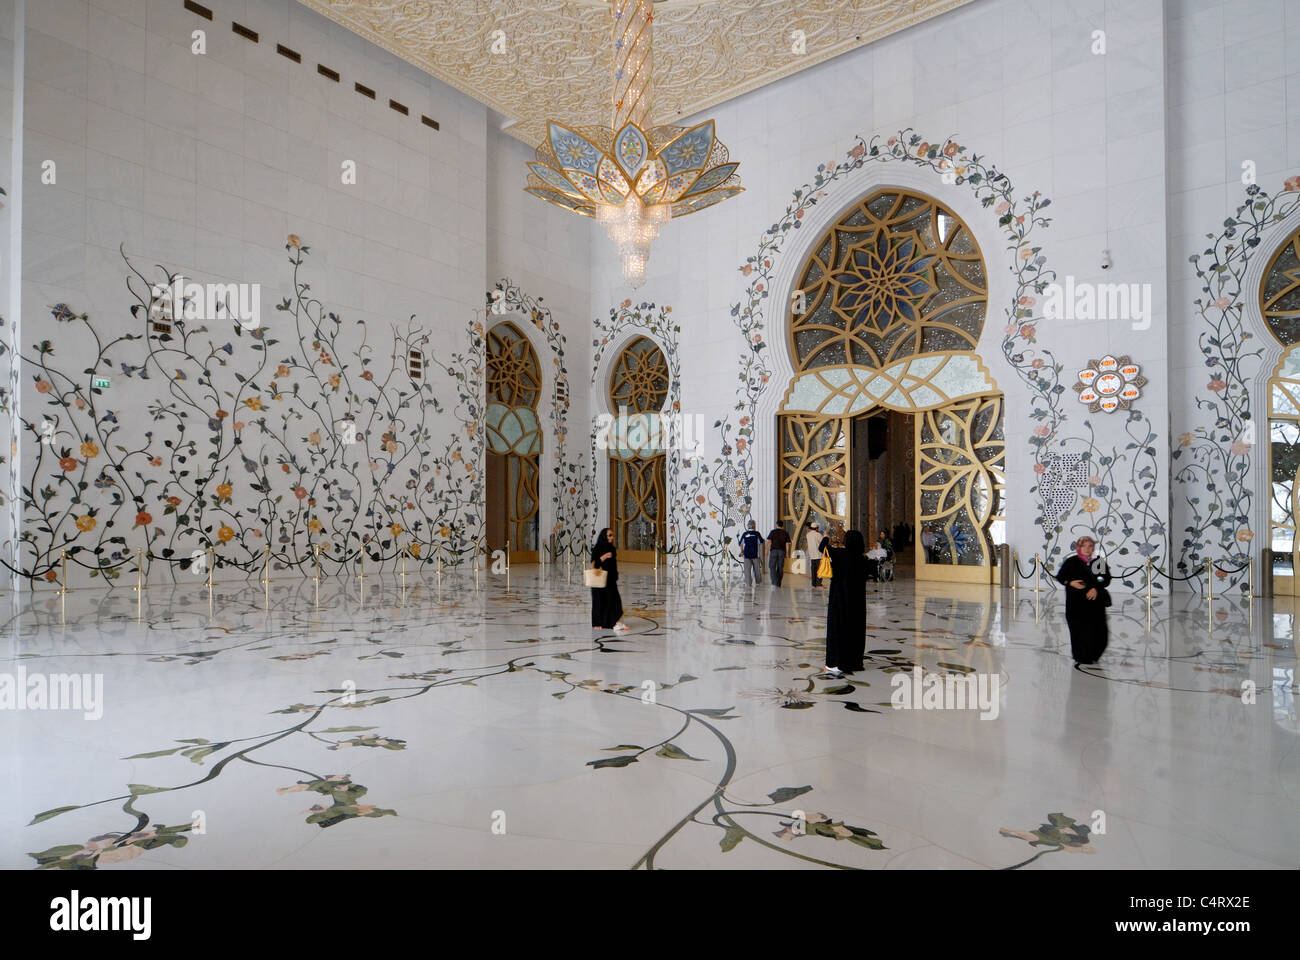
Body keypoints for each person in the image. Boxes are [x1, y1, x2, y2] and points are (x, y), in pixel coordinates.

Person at [1054, 535, 1111, 665]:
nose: (1087, 549)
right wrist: (1070, 583)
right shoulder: (1071, 561)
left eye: (1090, 546)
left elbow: (1104, 578)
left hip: (1095, 605)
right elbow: (1061, 577)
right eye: (1084, 546)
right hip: (1076, 605)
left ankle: (1094, 655)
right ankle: (1081, 657)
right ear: (1078, 547)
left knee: (1099, 633)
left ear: (1093, 548)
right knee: (1079, 632)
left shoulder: (1098, 562)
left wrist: (1096, 588)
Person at [819, 528, 867, 676]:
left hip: (839, 599)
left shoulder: (840, 554)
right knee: (855, 631)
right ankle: (854, 662)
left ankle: (835, 663)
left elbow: (822, 548)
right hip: (857, 602)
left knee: (837, 629)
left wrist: (826, 537)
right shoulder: (863, 559)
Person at [590, 528, 629, 631]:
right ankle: (597, 623)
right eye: (609, 535)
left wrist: (615, 575)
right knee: (599, 602)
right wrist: (604, 556)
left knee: (615, 601)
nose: (612, 538)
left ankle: (615, 622)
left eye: (612, 535)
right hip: (599, 580)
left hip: (610, 580)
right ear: (604, 536)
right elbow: (595, 563)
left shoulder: (612, 548)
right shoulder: (598, 548)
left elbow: (613, 565)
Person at [738, 520, 763, 586]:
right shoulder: (757, 533)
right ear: (754, 526)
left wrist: (742, 551)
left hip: (747, 554)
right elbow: (761, 542)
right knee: (757, 570)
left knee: (747, 570)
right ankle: (758, 582)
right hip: (755, 554)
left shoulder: (745, 534)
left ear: (748, 526)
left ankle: (748, 583)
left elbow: (740, 543)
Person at [766, 520, 791, 586]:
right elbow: (787, 544)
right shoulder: (785, 533)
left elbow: (768, 542)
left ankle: (774, 581)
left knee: (772, 566)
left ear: (776, 525)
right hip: (782, 552)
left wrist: (766, 551)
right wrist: (787, 553)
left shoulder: (772, 532)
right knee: (780, 567)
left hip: (773, 551)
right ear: (782, 526)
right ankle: (778, 582)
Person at [805, 521, 825, 587]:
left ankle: (813, 583)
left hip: (812, 555)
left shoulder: (808, 535)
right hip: (818, 554)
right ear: (816, 528)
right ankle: (819, 583)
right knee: (819, 569)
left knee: (813, 569)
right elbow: (823, 543)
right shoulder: (818, 534)